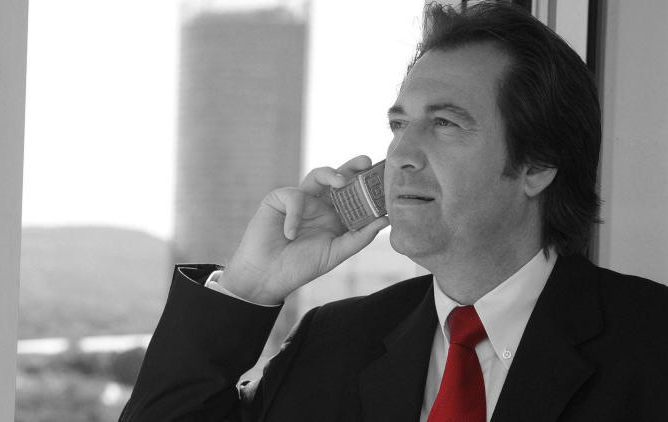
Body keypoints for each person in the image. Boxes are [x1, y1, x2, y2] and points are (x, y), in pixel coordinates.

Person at [120, 2, 668, 421]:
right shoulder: (333, 342)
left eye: (445, 123)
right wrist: (248, 287)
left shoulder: (652, 345)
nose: (401, 153)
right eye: (399, 124)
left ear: (538, 165)